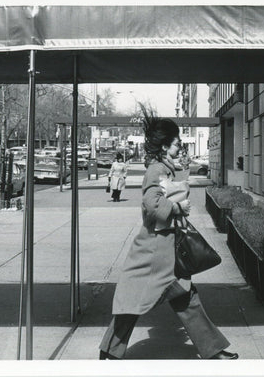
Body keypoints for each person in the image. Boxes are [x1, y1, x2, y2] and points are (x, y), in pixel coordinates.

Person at [99, 107, 238, 360]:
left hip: (165, 252)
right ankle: (109, 351)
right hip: (154, 253)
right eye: (176, 144)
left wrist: (179, 173)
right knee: (135, 303)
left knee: (186, 299)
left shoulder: (164, 167)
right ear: (164, 147)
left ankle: (213, 349)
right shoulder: (157, 170)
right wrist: (177, 206)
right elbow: (152, 205)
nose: (180, 147)